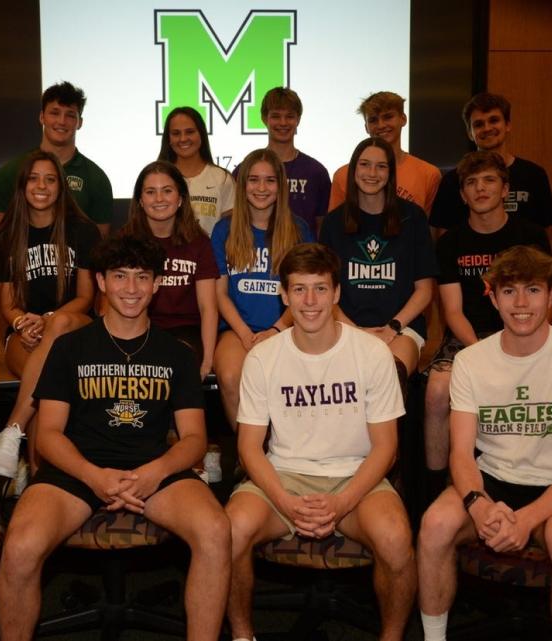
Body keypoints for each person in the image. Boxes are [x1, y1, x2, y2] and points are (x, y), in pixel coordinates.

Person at [0, 235, 231, 641]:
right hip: (77, 469)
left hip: (155, 469)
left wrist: (155, 472)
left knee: (215, 531)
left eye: (142, 277)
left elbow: (193, 439)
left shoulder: (176, 354)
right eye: (120, 277)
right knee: (19, 547)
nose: (132, 288)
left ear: (157, 284)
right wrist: (93, 476)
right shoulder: (69, 347)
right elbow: (48, 436)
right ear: (101, 282)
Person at [417, 246, 552, 641]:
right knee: (435, 525)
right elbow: (460, 453)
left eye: (533, 290)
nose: (522, 303)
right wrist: (478, 505)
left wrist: (526, 519)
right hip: (492, 480)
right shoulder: (472, 362)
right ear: (491, 297)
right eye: (509, 292)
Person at [226, 243, 416, 641]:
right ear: (283, 294)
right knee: (229, 531)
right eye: (299, 289)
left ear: (337, 293)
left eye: (320, 289)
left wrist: (342, 502)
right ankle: (243, 636)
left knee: (397, 537)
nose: (310, 301)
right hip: (284, 477)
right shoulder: (263, 358)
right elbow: (248, 448)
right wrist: (285, 501)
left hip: (354, 478)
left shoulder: (372, 354)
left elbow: (386, 448)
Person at [423, 151, 551, 500]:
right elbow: (452, 312)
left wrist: (511, 351)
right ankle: (437, 486)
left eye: (489, 180)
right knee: (436, 391)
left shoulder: (531, 235)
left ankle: (532, 476)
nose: (480, 189)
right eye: (471, 183)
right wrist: (484, 354)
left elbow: (539, 304)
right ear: (462, 194)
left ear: (505, 188)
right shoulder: (450, 243)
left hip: (522, 333)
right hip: (468, 338)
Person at [0, 150, 100, 480]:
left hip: (76, 328)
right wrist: (22, 323)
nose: (41, 186)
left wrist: (47, 321)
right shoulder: (6, 237)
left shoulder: (83, 232)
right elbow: (7, 306)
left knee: (60, 325)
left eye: (50, 179)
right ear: (22, 186)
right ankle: (37, 477)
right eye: (34, 178)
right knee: (49, 383)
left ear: (61, 187)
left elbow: (86, 297)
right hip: (24, 334)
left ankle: (12, 431)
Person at [212, 149, 314, 430]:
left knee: (286, 380)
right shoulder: (224, 230)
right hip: (237, 329)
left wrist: (277, 330)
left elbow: (307, 295)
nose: (261, 188)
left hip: (287, 328)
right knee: (231, 376)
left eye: (270, 181)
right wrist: (245, 334)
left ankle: (281, 454)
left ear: (281, 186)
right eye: (253, 180)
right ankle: (249, 457)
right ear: (242, 185)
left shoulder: (299, 230)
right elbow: (219, 293)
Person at [319, 137, 438, 376]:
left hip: (400, 329)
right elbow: (325, 290)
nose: (372, 173)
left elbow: (425, 290)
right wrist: (355, 331)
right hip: (345, 327)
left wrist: (392, 327)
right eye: (364, 164)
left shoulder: (412, 218)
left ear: (390, 173)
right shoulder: (333, 222)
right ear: (353, 170)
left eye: (381, 166)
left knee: (387, 372)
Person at [120, 160, 219, 380]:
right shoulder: (124, 241)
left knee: (178, 363)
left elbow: (208, 307)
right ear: (140, 201)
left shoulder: (199, 243)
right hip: (138, 327)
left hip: (187, 331)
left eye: (167, 191)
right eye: (150, 192)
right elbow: (110, 303)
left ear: (181, 198)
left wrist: (208, 360)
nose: (159, 199)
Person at [0, 81, 112, 236]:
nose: (61, 121)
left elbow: (100, 246)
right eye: (54, 113)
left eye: (70, 115)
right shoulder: (10, 172)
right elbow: (0, 238)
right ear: (42, 117)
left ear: (80, 122)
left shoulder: (97, 178)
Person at [430, 92, 552, 235]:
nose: (487, 128)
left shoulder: (534, 175)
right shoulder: (453, 180)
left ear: (508, 125)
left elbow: (545, 236)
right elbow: (444, 239)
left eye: (494, 120)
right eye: (478, 124)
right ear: (470, 133)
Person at [232, 87, 331, 233]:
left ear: (298, 119)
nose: (283, 123)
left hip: (302, 254)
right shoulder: (245, 169)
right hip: (253, 253)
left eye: (289, 116)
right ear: (265, 119)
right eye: (276, 116)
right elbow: (235, 218)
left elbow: (322, 228)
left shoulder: (316, 172)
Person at [328, 91, 441, 214]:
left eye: (388, 117)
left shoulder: (428, 174)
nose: (381, 125)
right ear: (366, 126)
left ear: (403, 119)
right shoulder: (343, 175)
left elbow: (429, 230)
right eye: (373, 120)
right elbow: (335, 227)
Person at [158, 106, 234, 236]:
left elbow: (232, 231)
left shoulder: (222, 178)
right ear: (168, 138)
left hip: (210, 255)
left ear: (201, 134)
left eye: (190, 132)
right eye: (176, 133)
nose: (183, 139)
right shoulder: (158, 178)